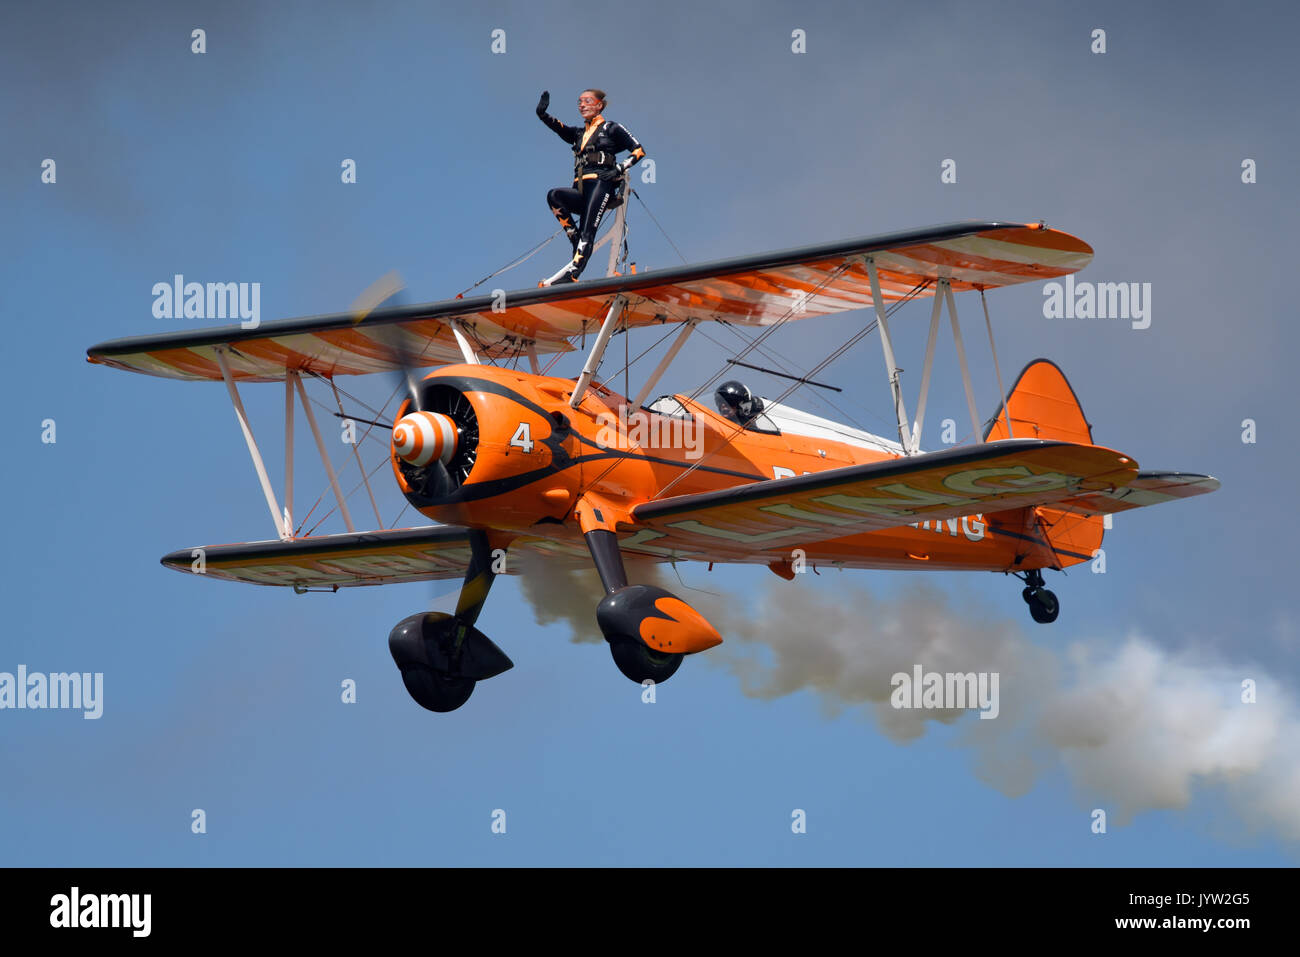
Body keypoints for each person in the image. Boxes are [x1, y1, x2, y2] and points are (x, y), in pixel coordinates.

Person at [536, 89, 646, 285]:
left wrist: (619, 168)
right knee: (554, 196)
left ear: (599, 105)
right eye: (579, 101)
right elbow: (560, 128)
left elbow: (639, 151)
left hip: (600, 186)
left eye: (587, 101)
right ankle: (575, 240)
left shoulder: (611, 128)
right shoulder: (579, 133)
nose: (582, 105)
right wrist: (543, 115)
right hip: (580, 190)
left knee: (589, 232)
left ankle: (574, 272)